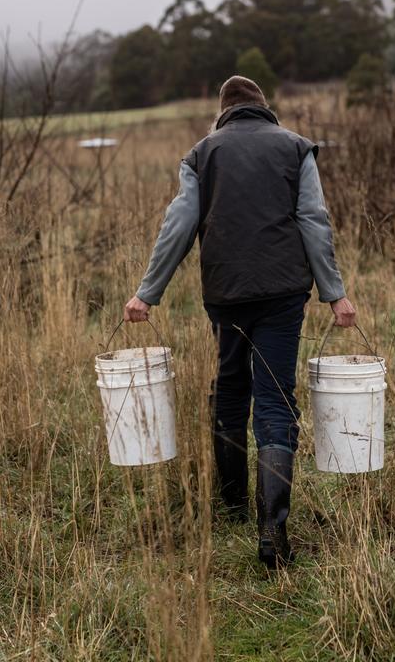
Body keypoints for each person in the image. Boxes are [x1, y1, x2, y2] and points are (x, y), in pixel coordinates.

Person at [124, 75, 356, 568]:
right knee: (274, 398)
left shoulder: (202, 154)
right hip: (282, 293)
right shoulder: (296, 148)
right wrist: (335, 294)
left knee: (231, 385)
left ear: (223, 112)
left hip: (225, 295)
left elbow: (179, 224)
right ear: (264, 108)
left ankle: (231, 503)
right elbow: (315, 220)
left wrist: (148, 293)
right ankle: (271, 529)